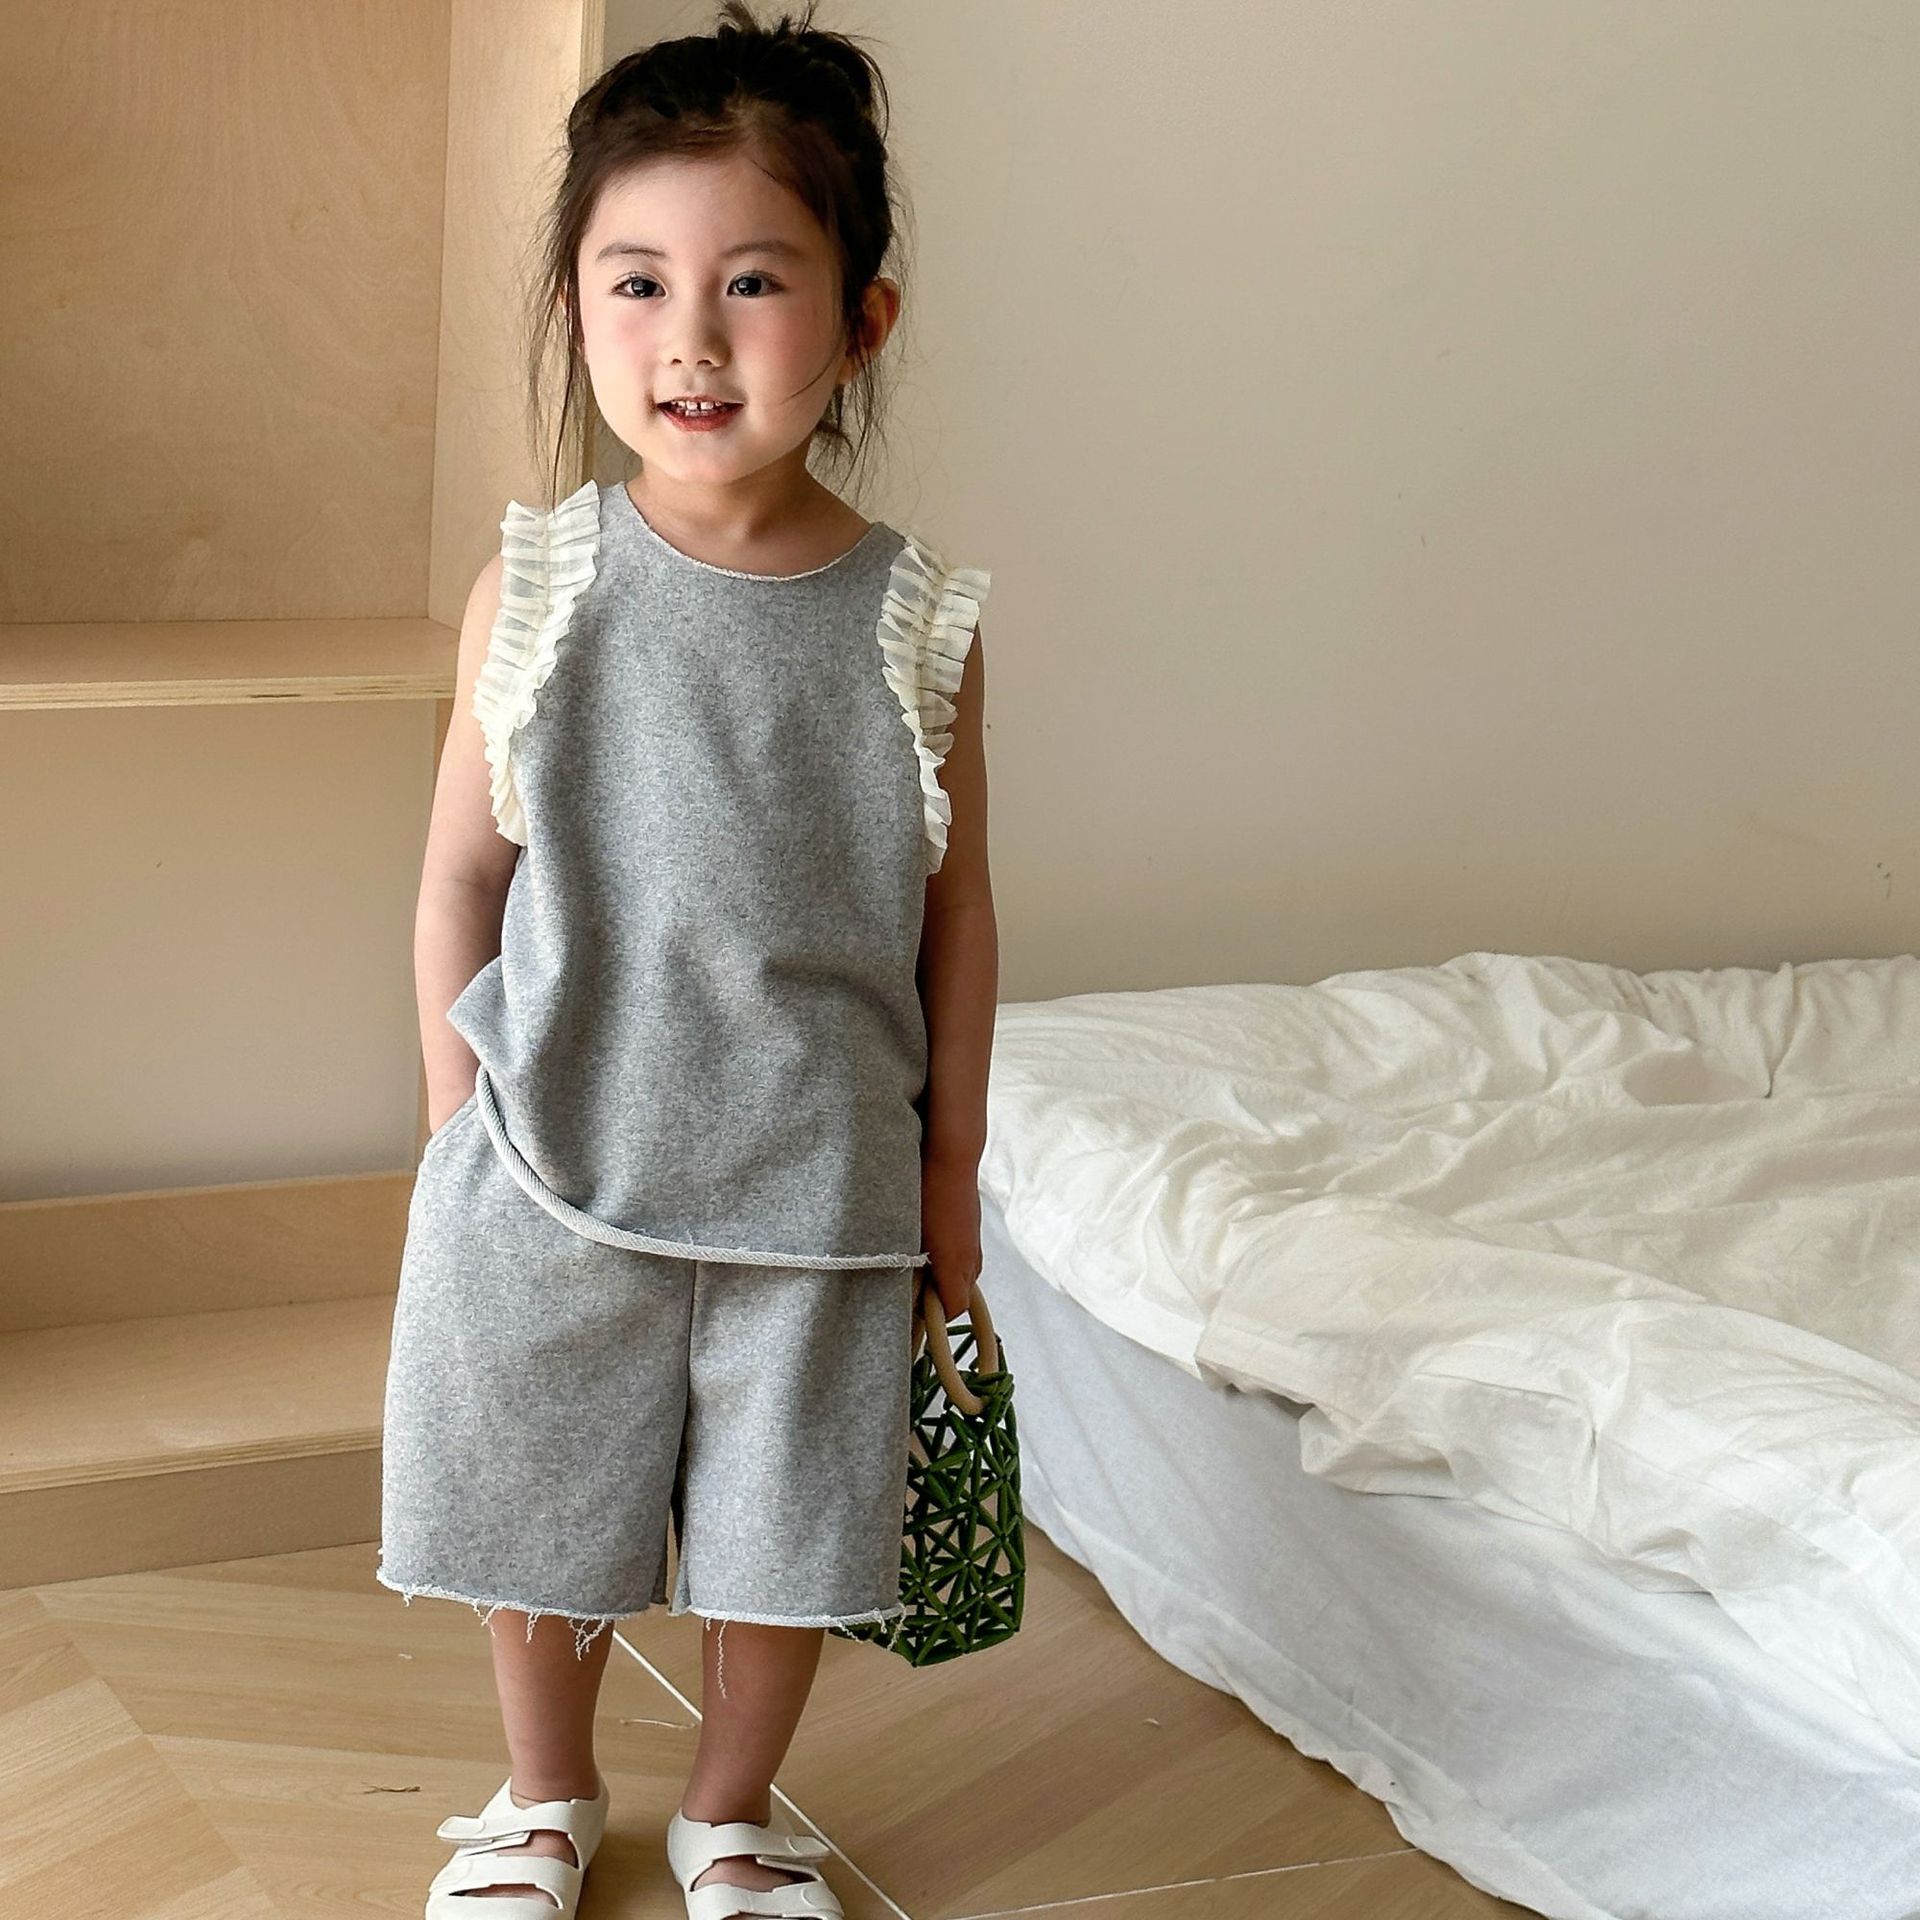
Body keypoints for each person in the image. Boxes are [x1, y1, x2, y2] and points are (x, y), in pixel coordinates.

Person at [374, 5, 997, 1914]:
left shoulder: (915, 618)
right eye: (636, 282)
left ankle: (735, 1813)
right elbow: (457, 880)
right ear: (578, 311)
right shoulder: (539, 583)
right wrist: (457, 1124)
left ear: (863, 322)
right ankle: (543, 1796)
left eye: (755, 282)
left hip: (818, 1182)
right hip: (554, 1158)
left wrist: (948, 1170)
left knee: (789, 1528)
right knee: (538, 1499)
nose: (692, 340)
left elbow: (957, 914)